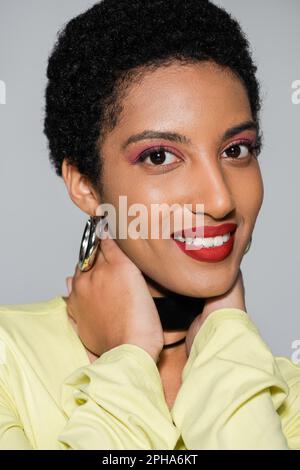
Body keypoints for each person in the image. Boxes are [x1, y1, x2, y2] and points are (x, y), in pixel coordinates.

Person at [0, 0, 299, 450]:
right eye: (160, 156)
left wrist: (228, 343)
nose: (220, 199)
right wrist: (131, 359)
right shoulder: (9, 361)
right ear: (84, 185)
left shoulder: (285, 392)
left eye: (236, 150)